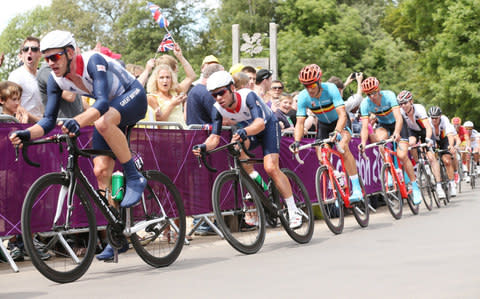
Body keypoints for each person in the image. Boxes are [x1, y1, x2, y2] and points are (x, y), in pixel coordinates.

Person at [9, 30, 148, 261]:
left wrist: (78, 121)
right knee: (101, 170)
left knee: (102, 122)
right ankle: (117, 238)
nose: (50, 63)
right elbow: (48, 120)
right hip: (110, 110)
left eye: (54, 57)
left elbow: (102, 102)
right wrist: (26, 134)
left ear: (70, 53)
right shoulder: (55, 79)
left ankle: (134, 176)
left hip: (132, 95)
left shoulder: (93, 61)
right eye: (46, 58)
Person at [192, 70, 303, 229]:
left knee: (271, 168)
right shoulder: (217, 108)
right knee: (236, 146)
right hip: (248, 129)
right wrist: (203, 146)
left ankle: (293, 210)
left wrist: (244, 131)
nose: (218, 98)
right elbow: (214, 138)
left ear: (232, 88)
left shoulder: (247, 96)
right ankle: (258, 184)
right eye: (213, 95)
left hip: (267, 127)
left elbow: (259, 123)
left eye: (221, 93)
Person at [290, 64, 363, 202]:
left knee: (343, 147)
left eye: (312, 85)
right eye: (306, 86)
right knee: (321, 155)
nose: (309, 89)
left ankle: (357, 187)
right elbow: (300, 123)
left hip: (339, 122)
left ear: (318, 82)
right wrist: (297, 142)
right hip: (323, 125)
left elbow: (342, 115)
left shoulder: (330, 89)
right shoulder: (304, 97)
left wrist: (337, 131)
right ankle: (335, 176)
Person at [358, 77, 422, 205]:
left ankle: (415, 186)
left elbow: (399, 118)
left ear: (378, 89)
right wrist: (363, 142)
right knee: (380, 141)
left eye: (374, 93)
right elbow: (365, 127)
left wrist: (397, 133)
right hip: (384, 125)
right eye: (368, 94)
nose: (372, 96)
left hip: (398, 125)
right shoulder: (365, 103)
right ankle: (389, 171)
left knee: (402, 155)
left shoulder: (389, 96)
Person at [397, 90, 446, 199]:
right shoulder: (400, 111)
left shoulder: (419, 109)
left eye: (405, 103)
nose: (403, 106)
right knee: (412, 143)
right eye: (401, 104)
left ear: (411, 101)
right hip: (412, 132)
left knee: (431, 157)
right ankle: (419, 166)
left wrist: (428, 139)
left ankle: (439, 187)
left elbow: (428, 127)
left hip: (425, 131)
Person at [8, 36, 44, 121]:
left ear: (40, 54)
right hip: (24, 127)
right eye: (26, 49)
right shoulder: (16, 76)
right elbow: (14, 108)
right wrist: (40, 121)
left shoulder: (43, 76)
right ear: (22, 54)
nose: (29, 51)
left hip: (42, 127)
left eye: (34, 49)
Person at [427, 106, 458, 196]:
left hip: (444, 139)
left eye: (436, 118)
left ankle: (452, 184)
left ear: (440, 116)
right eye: (432, 118)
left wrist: (451, 146)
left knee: (447, 160)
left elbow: (450, 135)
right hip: (434, 140)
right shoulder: (428, 122)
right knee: (431, 158)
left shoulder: (445, 120)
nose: (434, 120)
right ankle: (437, 181)